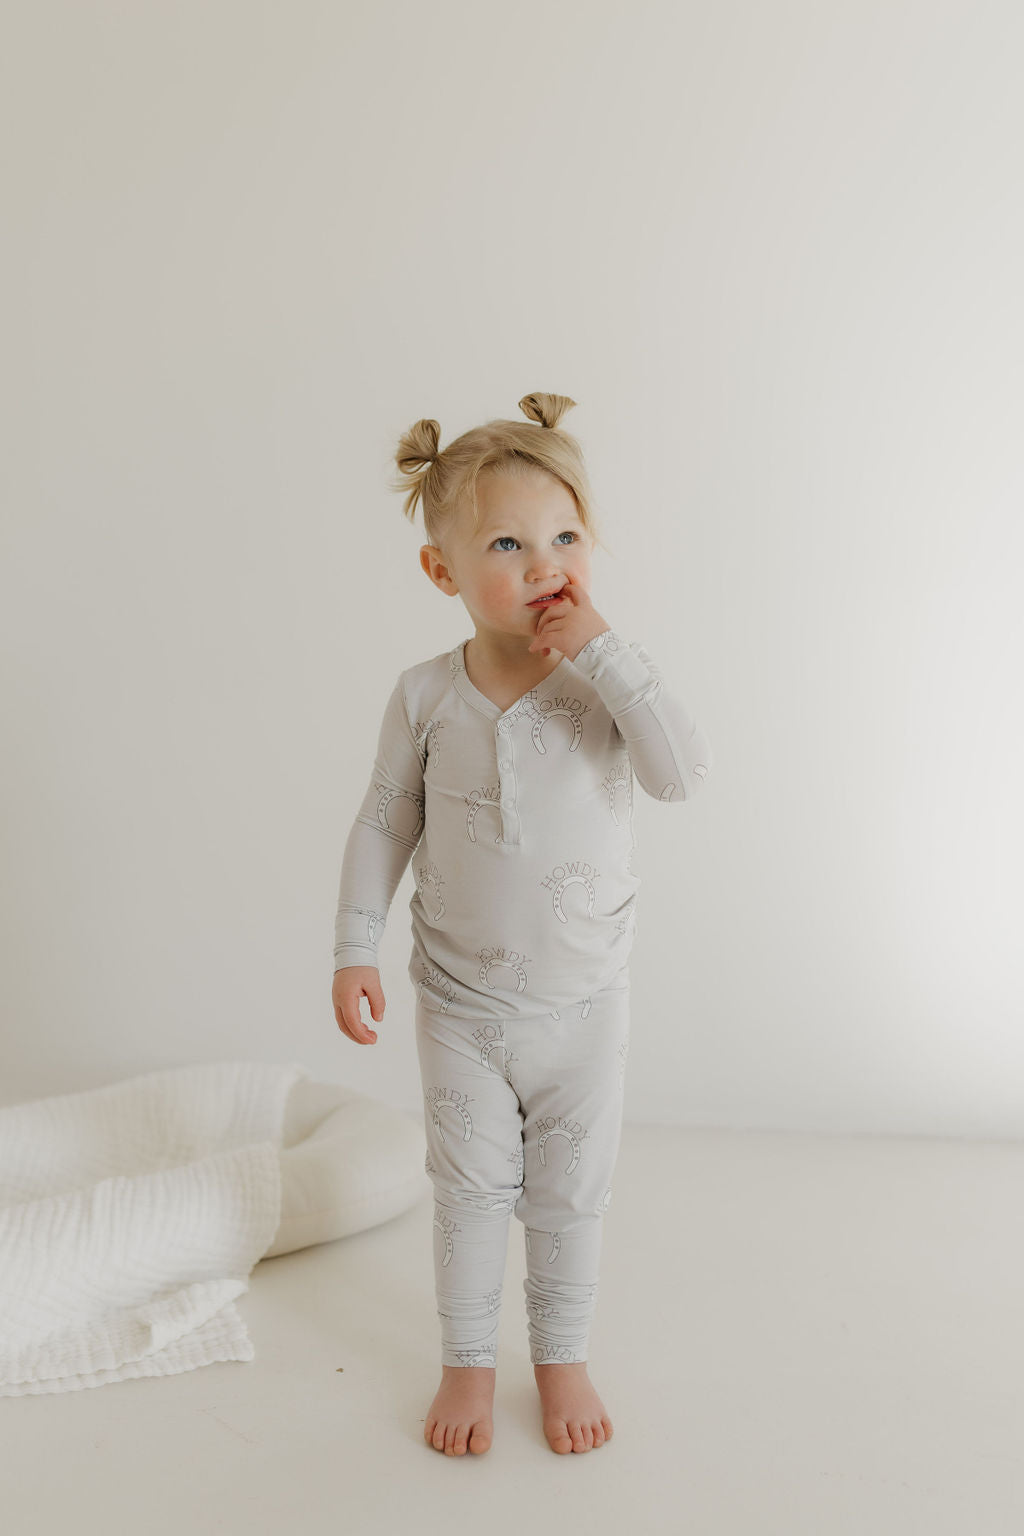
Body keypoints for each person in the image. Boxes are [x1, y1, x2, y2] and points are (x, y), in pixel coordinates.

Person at [331, 391, 713, 1457]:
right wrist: (353, 945)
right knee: (465, 1190)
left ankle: (561, 1356)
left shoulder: (603, 689)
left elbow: (680, 775)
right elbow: (381, 823)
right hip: (458, 1005)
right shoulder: (422, 697)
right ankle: (465, 1361)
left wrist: (611, 653)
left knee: (569, 1195)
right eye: (506, 542)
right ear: (442, 571)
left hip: (585, 1006)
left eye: (565, 536)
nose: (544, 561)